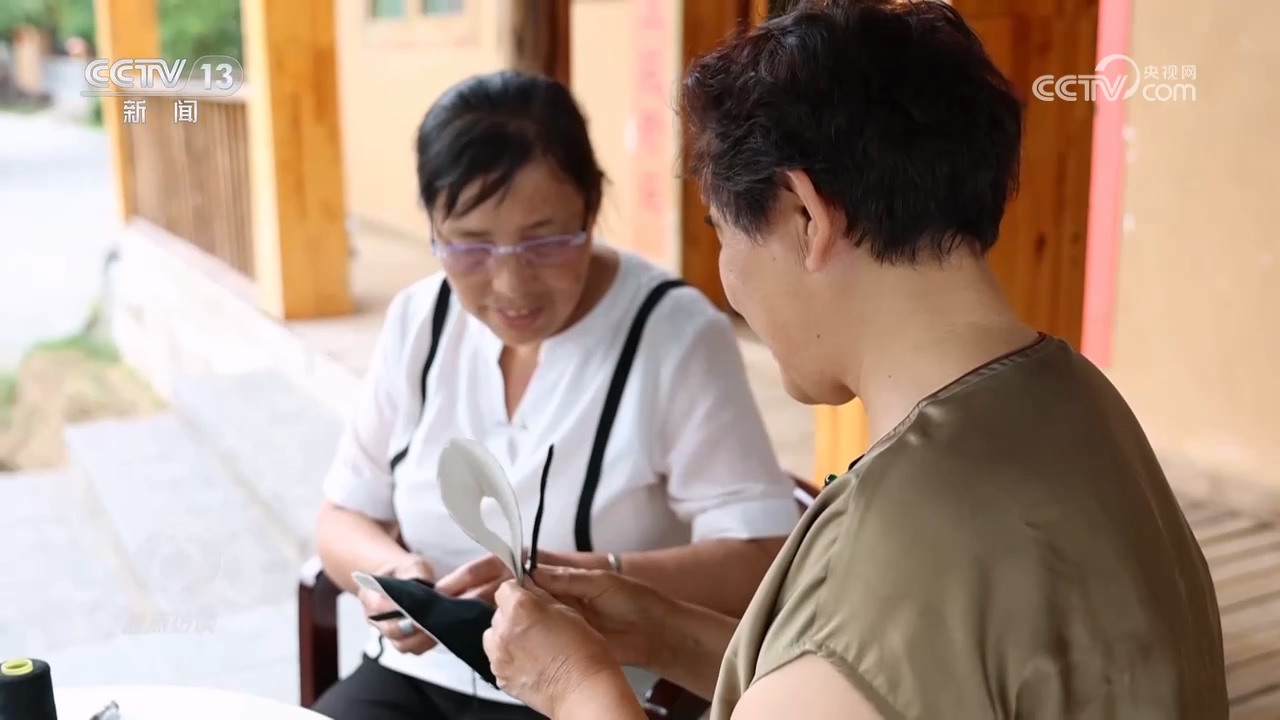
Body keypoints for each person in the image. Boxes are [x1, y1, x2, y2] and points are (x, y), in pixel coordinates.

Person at [480, 1, 1230, 718]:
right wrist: (663, 633)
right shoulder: (1073, 396)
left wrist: (573, 685)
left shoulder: (903, 537)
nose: (728, 278)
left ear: (805, 215)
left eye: (722, 231)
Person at [310, 70, 801, 720]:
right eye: (470, 246)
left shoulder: (674, 334)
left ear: (592, 208)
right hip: (420, 674)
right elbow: (342, 515)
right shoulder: (418, 320)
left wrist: (583, 577)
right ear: (433, 227)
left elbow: (760, 558)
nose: (511, 284)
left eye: (545, 242)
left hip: (589, 691)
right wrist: (396, 579)